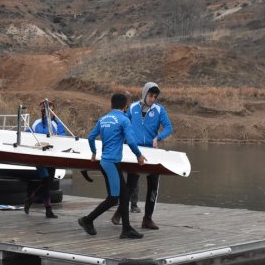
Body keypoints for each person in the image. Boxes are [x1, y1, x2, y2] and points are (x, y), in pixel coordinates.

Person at [78, 93, 146, 239]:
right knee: (113, 198)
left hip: (105, 162)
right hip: (112, 164)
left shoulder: (103, 119)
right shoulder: (124, 119)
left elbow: (90, 137)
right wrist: (139, 155)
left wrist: (94, 153)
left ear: (111, 105)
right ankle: (87, 220)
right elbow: (132, 142)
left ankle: (126, 229)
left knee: (123, 195)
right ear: (125, 106)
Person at [112, 82, 172, 230]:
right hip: (135, 151)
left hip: (152, 153)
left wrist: (159, 137)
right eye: (150, 95)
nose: (153, 99)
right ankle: (119, 213)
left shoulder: (159, 110)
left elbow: (169, 127)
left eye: (155, 96)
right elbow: (123, 123)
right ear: (145, 94)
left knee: (153, 187)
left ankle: (147, 219)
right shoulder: (132, 108)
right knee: (130, 185)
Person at [25, 100, 66, 218]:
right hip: (40, 156)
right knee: (46, 181)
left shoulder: (58, 124)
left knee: (47, 183)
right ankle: (47, 209)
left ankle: (31, 200)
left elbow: (63, 137)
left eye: (50, 109)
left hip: (52, 156)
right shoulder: (36, 123)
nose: (48, 112)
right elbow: (28, 135)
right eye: (45, 109)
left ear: (54, 111)